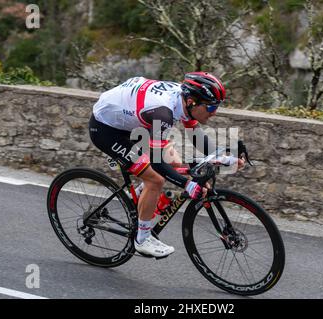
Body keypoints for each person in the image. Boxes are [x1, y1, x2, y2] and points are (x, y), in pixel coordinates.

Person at [89, 72, 244, 258]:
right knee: (156, 180)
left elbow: (194, 134)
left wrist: (223, 157)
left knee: (176, 163)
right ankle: (142, 239)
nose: (214, 112)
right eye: (211, 107)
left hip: (131, 122)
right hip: (106, 129)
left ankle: (140, 197)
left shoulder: (184, 99)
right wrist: (188, 184)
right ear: (192, 102)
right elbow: (157, 162)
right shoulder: (163, 112)